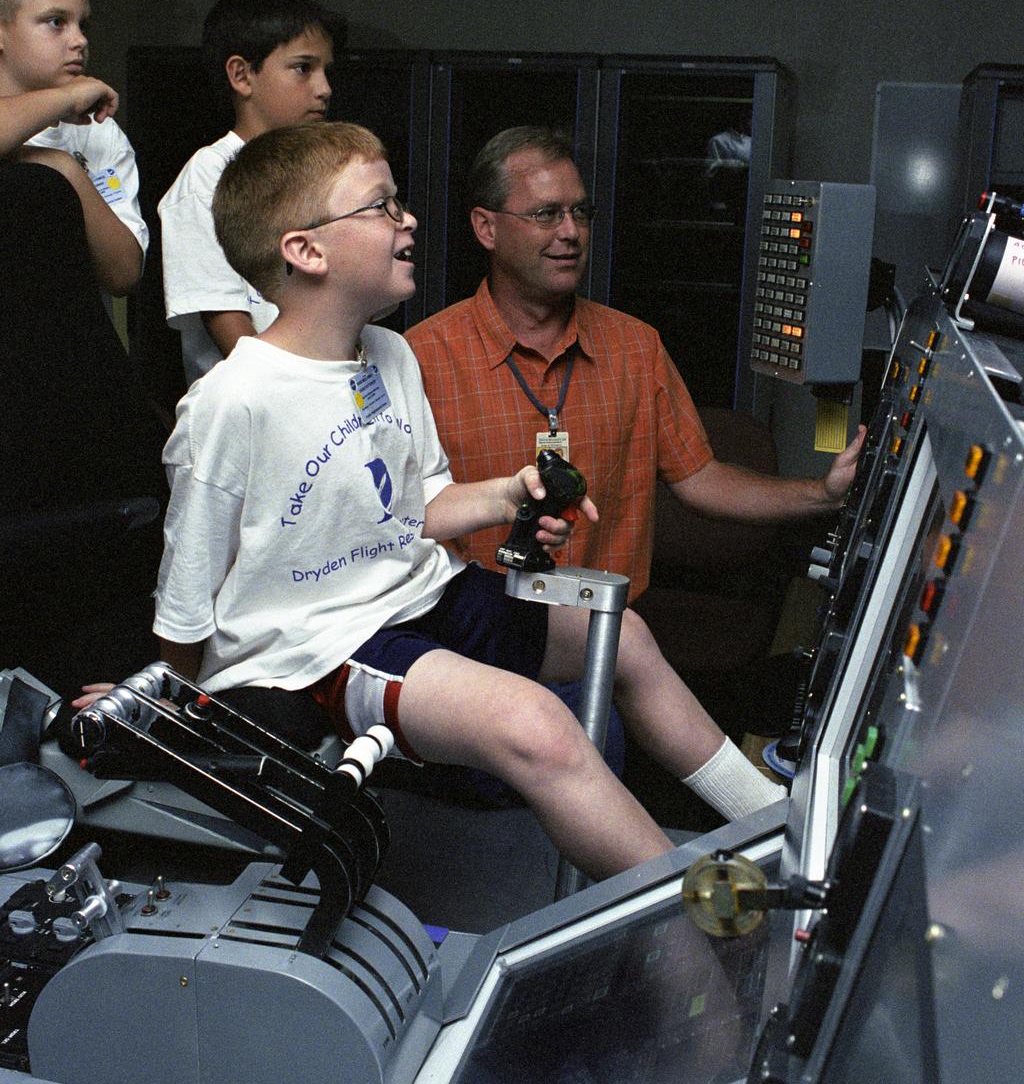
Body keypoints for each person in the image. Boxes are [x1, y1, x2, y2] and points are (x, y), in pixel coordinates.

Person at [76, 120, 784, 883]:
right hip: (319, 647)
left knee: (627, 636)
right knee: (537, 725)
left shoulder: (391, 354)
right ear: (305, 250)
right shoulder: (233, 402)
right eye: (380, 206)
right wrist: (163, 706)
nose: (407, 218)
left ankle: (779, 825)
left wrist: (510, 493)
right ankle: (714, 918)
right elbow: (185, 595)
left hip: (421, 592)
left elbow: (420, 507)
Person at [406, 126, 865, 603]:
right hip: (473, 649)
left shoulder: (635, 348)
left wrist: (825, 493)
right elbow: (391, 520)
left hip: (609, 645)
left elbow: (702, 480)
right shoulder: (421, 357)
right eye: (546, 214)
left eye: (579, 212)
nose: (570, 232)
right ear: (486, 228)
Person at [159, 0, 335, 386]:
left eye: (326, 70)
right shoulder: (208, 175)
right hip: (256, 406)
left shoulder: (322, 174)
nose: (324, 88)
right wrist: (287, 396)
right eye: (303, 68)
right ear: (242, 75)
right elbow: (224, 317)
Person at [0, 0, 146, 297]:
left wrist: (65, 169)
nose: (79, 39)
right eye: (56, 22)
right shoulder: (73, 100)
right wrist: (65, 98)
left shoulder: (97, 133)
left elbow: (125, 273)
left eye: (83, 24)